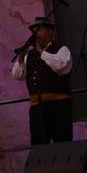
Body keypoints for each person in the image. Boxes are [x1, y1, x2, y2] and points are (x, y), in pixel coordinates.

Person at [11, 16, 73, 146]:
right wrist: (21, 58)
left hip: (59, 106)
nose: (36, 34)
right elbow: (17, 75)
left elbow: (61, 66)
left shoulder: (61, 49)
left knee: (63, 144)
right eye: (34, 31)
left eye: (39, 30)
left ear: (50, 32)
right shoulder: (30, 55)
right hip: (37, 108)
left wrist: (41, 53)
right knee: (38, 145)